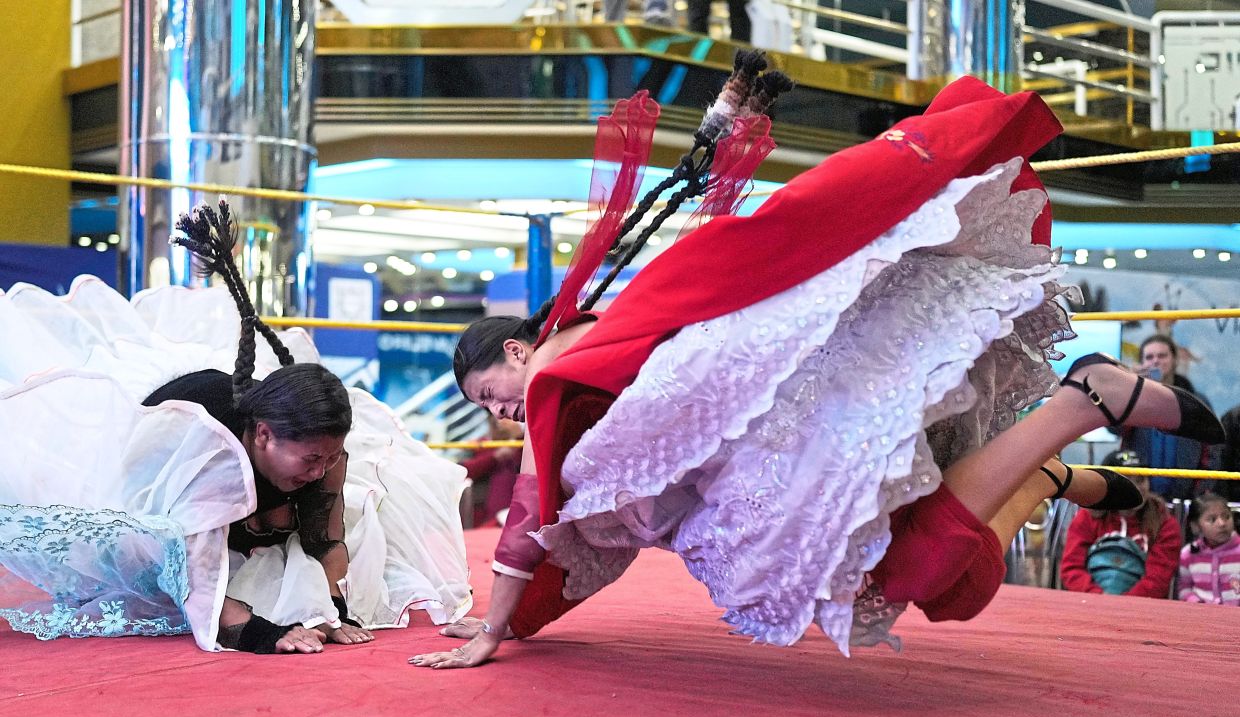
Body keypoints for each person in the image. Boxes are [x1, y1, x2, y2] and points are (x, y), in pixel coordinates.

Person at [410, 73, 1226, 670]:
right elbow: (664, 220)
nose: (500, 415)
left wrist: (493, 628)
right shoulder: (596, 332)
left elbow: (526, 521)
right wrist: (722, 127)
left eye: (491, 395)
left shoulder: (558, 377)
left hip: (786, 456)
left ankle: (1078, 405)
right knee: (952, 586)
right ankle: (1057, 466)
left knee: (915, 572)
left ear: (516, 352)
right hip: (791, 436)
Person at [0, 203, 473, 653]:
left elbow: (327, 541)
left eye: (330, 458)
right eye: (311, 459)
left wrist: (336, 612)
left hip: (235, 445)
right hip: (143, 471)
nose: (321, 470)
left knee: (344, 542)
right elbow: (189, 567)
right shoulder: (206, 450)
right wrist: (259, 634)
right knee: (154, 568)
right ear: (263, 436)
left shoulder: (323, 458)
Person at [1059, 450, 1181, 598]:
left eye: (1141, 479)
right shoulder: (1087, 517)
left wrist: (1123, 606)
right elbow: (1072, 569)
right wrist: (1099, 598)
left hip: (1142, 608)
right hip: (1091, 603)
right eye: (1127, 480)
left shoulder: (1165, 522)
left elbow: (1158, 579)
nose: (1137, 487)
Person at [1120, 334, 1213, 502]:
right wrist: (1127, 388)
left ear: (1175, 360)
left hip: (1187, 500)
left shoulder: (1196, 401)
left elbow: (1212, 451)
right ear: (1142, 363)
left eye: (1162, 356)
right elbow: (1112, 427)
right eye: (1149, 357)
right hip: (1141, 499)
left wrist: (1201, 494)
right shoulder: (1132, 399)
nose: (1155, 361)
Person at [460, 415, 524, 527]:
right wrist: (495, 457)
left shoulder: (521, 444)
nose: (503, 423)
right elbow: (464, 470)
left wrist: (519, 436)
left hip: (515, 512)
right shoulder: (482, 445)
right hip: (485, 516)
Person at [1178, 492, 1240, 605]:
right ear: (1196, 526)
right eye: (1212, 519)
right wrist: (1196, 602)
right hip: (1201, 617)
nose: (1222, 523)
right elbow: (1184, 589)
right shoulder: (1188, 554)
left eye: (1226, 517)